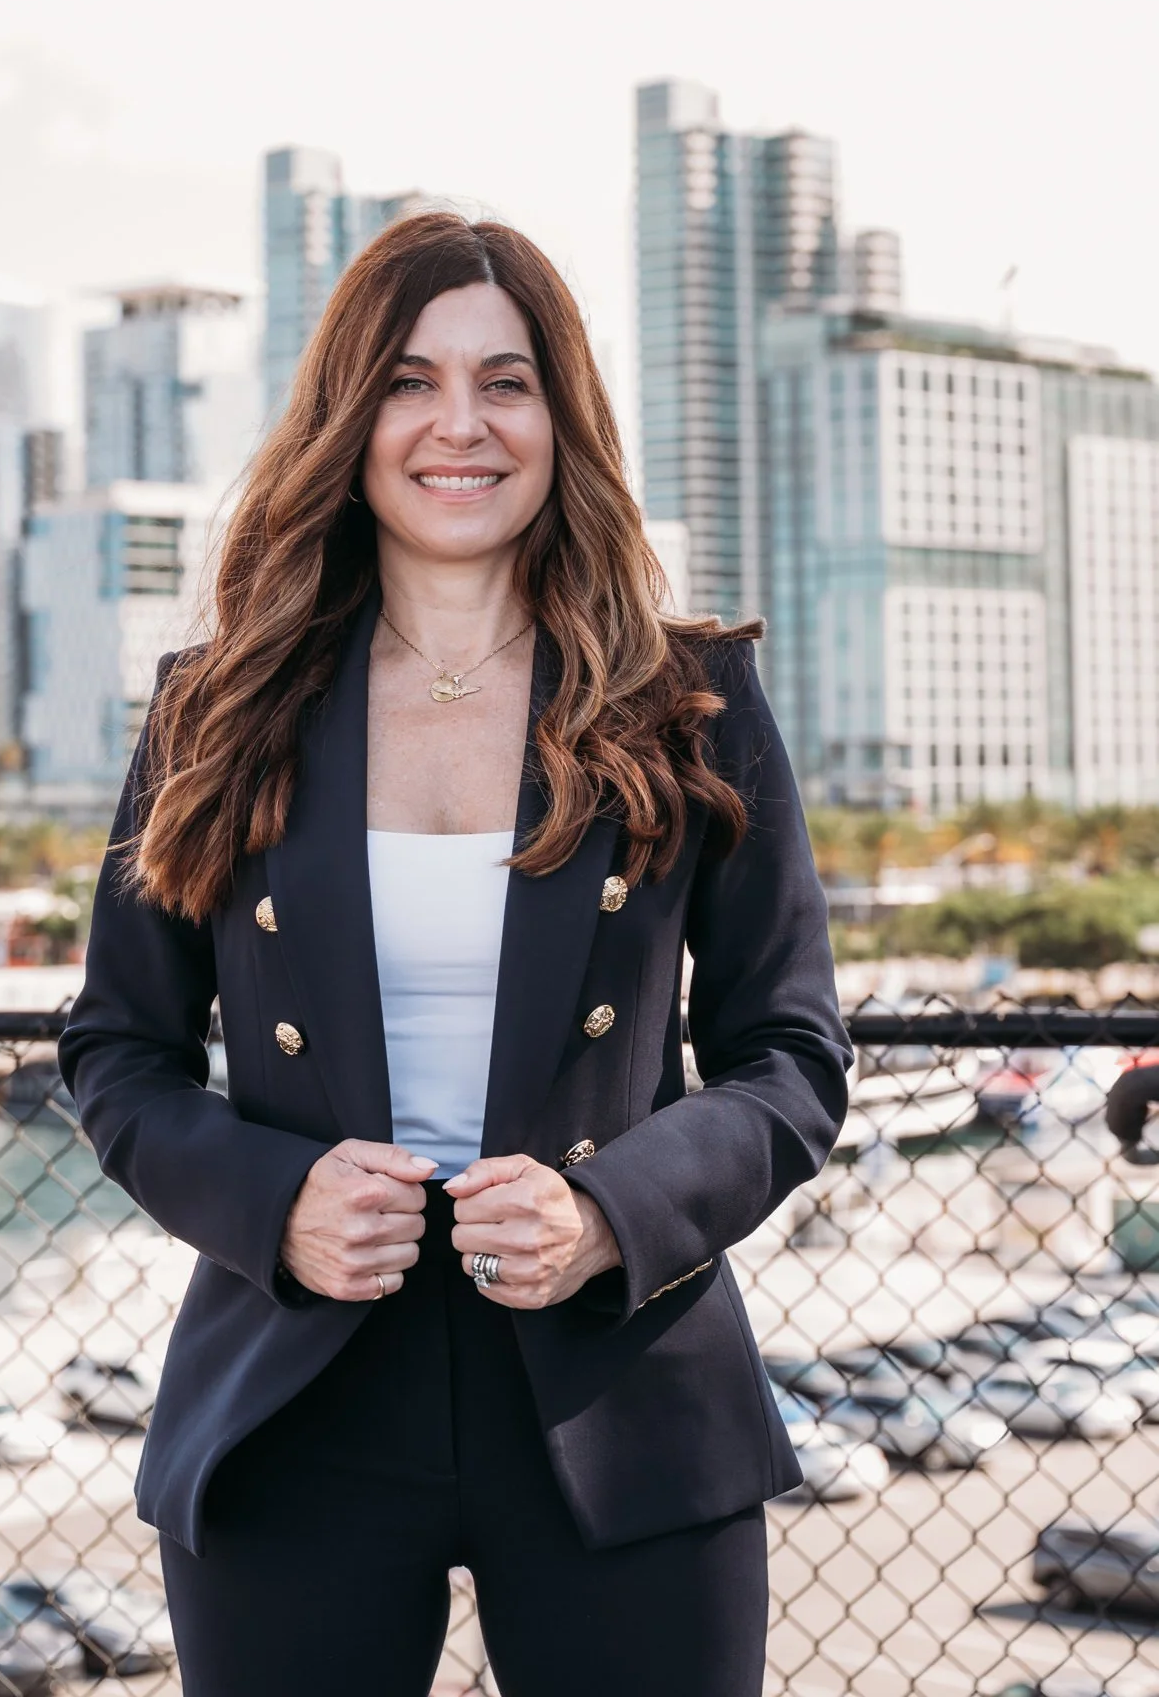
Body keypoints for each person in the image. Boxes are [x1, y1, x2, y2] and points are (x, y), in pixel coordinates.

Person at [59, 212, 851, 1697]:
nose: (460, 425)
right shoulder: (214, 708)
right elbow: (118, 1050)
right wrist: (278, 1200)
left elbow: (792, 1057)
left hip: (621, 1390)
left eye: (507, 381)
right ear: (350, 421)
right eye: (411, 382)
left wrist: (610, 1213)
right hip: (297, 1392)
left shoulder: (690, 701)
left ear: (564, 418)